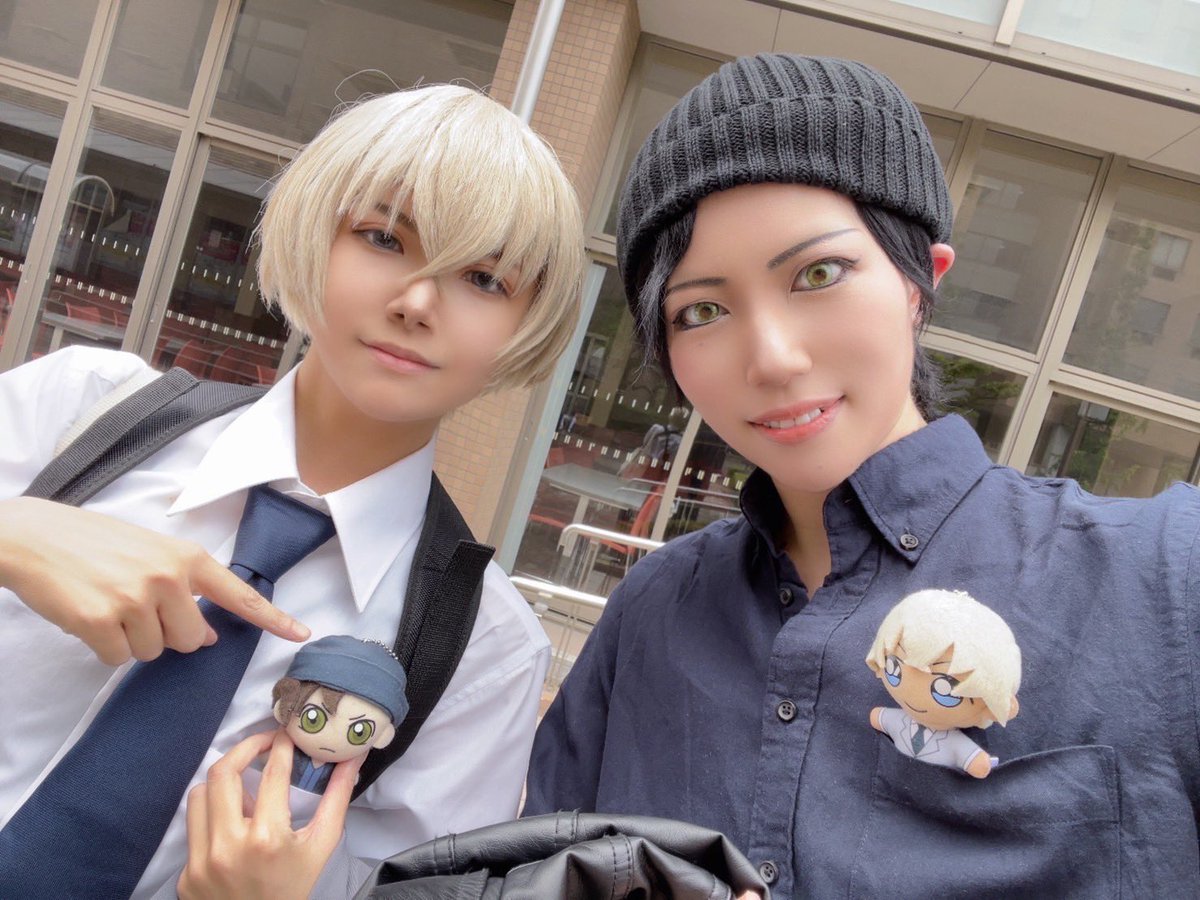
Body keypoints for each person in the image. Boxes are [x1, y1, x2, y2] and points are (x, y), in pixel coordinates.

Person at [522, 53, 1200, 899]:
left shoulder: (1164, 578)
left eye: (818, 274)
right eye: (702, 310)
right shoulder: (651, 613)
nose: (773, 358)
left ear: (921, 282)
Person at [0, 83, 584, 898]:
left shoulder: (484, 647)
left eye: (484, 279)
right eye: (384, 237)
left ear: (528, 323)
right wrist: (14, 532)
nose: (417, 302)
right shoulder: (79, 410)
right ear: (316, 232)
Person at [866, 587, 1021, 778]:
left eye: (945, 692)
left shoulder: (954, 742)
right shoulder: (899, 721)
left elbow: (975, 761)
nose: (916, 697)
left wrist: (975, 760)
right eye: (893, 668)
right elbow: (880, 717)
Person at [272, 635, 410, 793]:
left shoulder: (342, 773)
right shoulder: (285, 752)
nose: (328, 738)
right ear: (284, 707)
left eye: (359, 733)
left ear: (383, 736)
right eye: (313, 720)